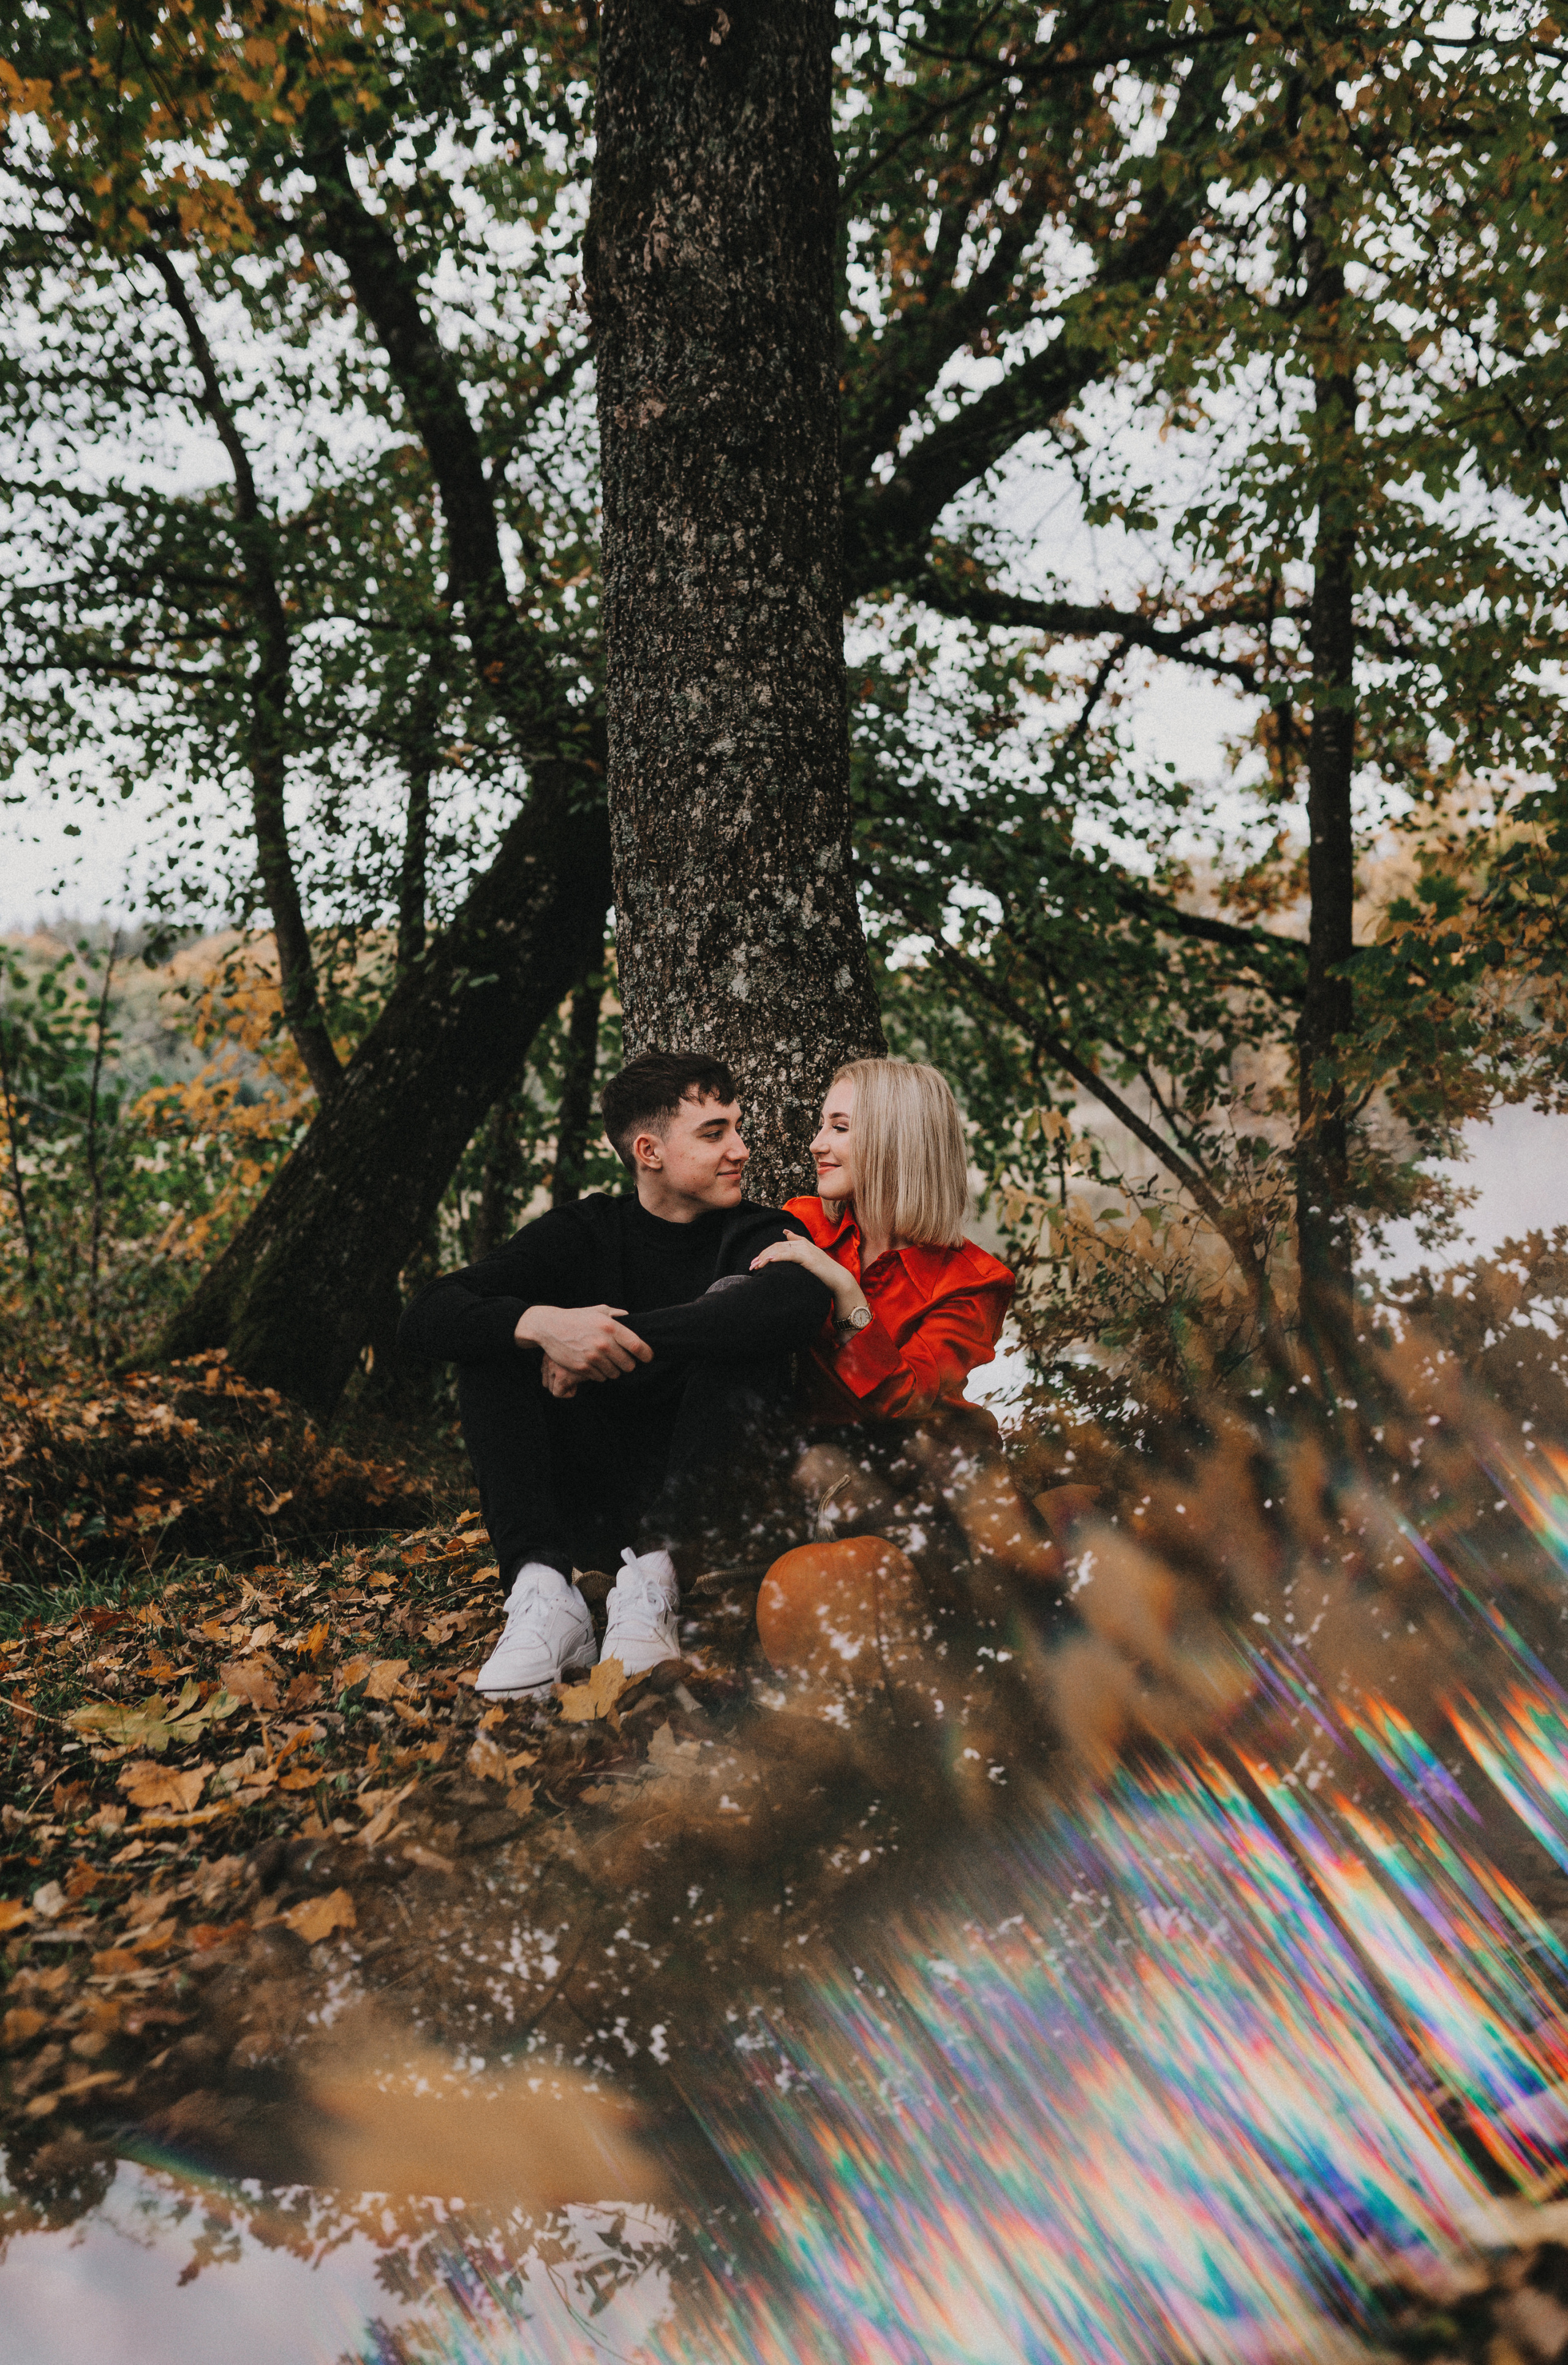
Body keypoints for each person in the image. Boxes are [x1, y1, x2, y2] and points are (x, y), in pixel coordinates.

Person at [398, 1051, 832, 1700]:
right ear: (649, 1151)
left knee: (748, 1335)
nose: (740, 1150)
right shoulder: (582, 1232)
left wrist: (601, 1341)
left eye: (736, 1128)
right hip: (589, 1498)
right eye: (714, 1134)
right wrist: (544, 1326)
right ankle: (544, 1593)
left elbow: (796, 1305)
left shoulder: (759, 1230)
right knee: (494, 1337)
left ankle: (655, 1584)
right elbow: (428, 1315)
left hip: (702, 1506)